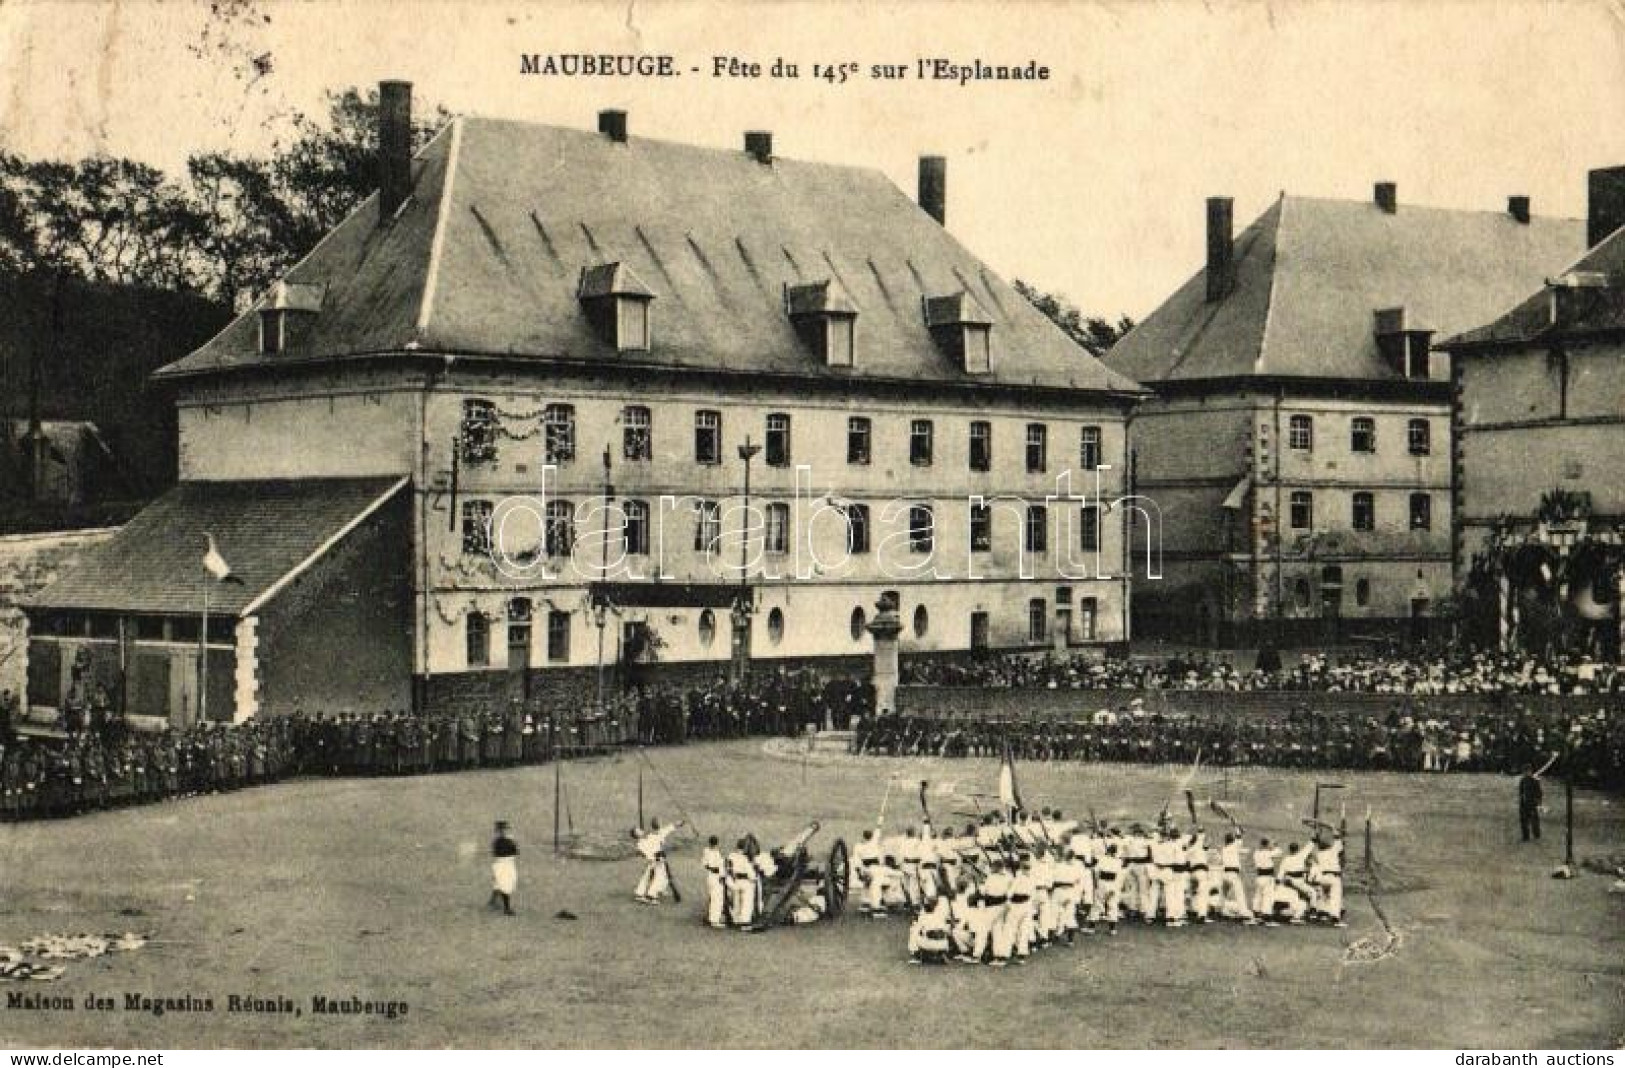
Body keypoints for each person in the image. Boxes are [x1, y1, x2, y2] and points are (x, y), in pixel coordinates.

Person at [633, 817, 684, 904]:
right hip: (657, 859)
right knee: (660, 877)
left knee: (652, 876)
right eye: (638, 831)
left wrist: (678, 823)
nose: (641, 830)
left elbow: (669, 828)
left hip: (657, 859)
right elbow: (647, 852)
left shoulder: (650, 836)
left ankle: (641, 893)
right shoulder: (643, 841)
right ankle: (651, 896)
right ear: (636, 835)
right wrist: (656, 858)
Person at [490, 820, 518, 915]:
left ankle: (494, 900)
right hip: (503, 863)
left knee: (501, 883)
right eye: (502, 829)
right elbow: (513, 851)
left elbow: (515, 851)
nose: (504, 831)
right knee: (505, 884)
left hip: (507, 862)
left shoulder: (503, 840)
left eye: (505, 829)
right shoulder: (500, 841)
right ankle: (507, 908)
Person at [701, 835, 728, 928]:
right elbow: (720, 868)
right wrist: (723, 877)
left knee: (712, 897)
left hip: (709, 876)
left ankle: (709, 917)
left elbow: (705, 864)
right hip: (716, 877)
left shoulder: (706, 851)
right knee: (717, 899)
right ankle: (714, 920)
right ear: (717, 843)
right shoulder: (717, 854)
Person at [1519, 764, 1544, 842]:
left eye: (1528, 771)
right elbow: (1521, 792)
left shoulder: (1535, 780)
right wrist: (1521, 800)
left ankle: (1536, 835)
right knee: (1524, 820)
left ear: (1531, 771)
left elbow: (1539, 792)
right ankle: (1525, 836)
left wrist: (1539, 802)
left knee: (1534, 820)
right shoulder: (1523, 780)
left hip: (1532, 803)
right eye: (1525, 772)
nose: (1526, 773)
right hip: (1524, 803)